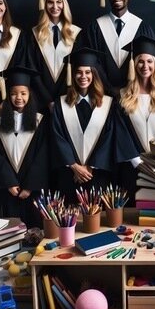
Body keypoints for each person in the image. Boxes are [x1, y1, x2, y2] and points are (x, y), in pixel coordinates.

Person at [50, 48, 138, 203]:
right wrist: (74, 166)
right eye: (79, 72)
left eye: (88, 72)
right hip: (69, 175)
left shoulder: (108, 103)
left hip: (98, 175)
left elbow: (109, 137)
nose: (83, 76)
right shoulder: (60, 103)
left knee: (98, 215)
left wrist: (91, 167)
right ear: (73, 75)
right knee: (70, 214)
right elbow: (57, 136)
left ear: (94, 75)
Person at [117, 36, 155, 206]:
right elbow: (121, 131)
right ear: (134, 65)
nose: (145, 66)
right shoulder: (123, 96)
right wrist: (136, 161)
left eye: (150, 61)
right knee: (132, 212)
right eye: (140, 61)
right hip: (132, 168)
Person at [0, 66, 50, 229]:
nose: (19, 98)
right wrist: (9, 182)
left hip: (33, 188)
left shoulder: (40, 121)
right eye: (14, 93)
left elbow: (42, 156)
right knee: (10, 228)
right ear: (8, 95)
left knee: (35, 227)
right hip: (8, 188)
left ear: (30, 95)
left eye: (23, 93)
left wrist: (30, 186)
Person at [28, 0, 84, 112]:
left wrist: (62, 98)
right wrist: (48, 100)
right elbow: (31, 69)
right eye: (50, 2)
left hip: (67, 98)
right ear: (44, 4)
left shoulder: (76, 33)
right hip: (40, 100)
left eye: (59, 2)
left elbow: (77, 68)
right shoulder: (34, 34)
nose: (55, 6)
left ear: (64, 4)